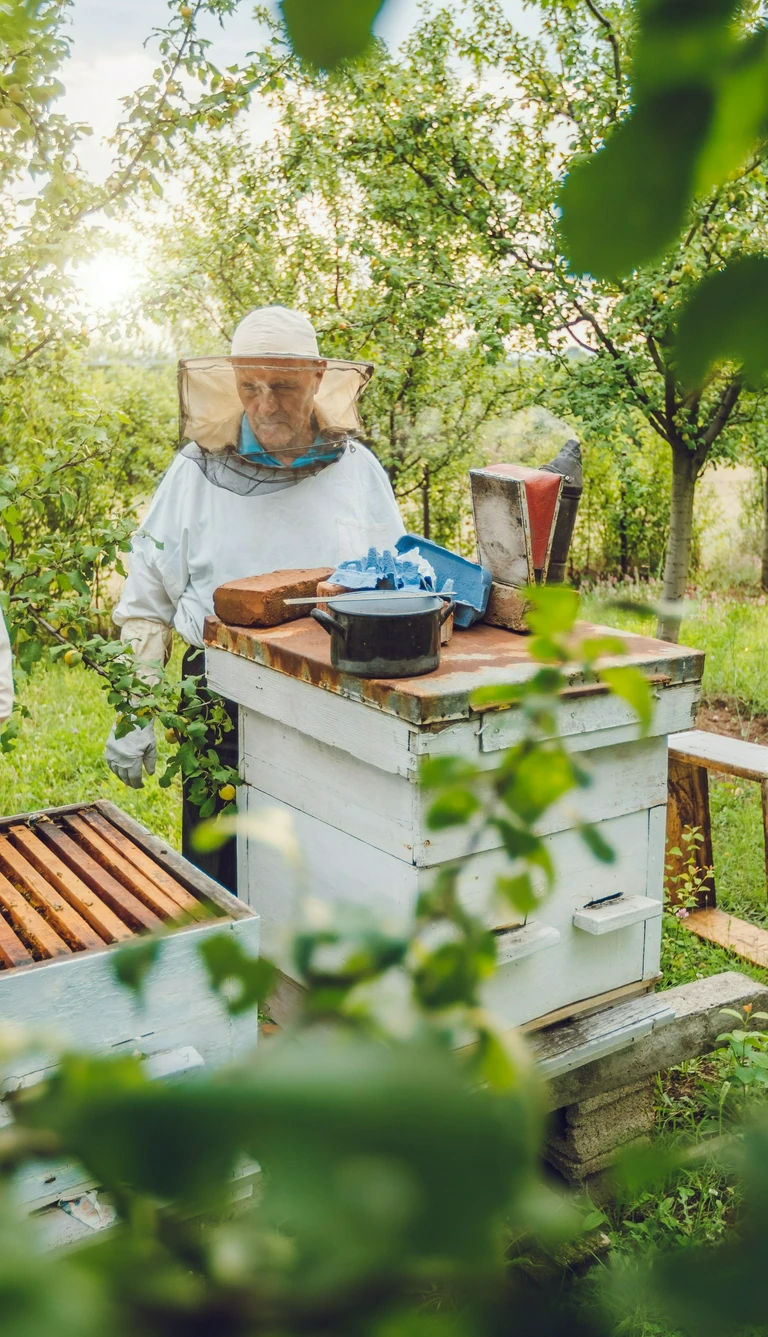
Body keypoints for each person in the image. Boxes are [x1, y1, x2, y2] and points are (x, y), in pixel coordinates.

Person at [105, 305, 405, 893]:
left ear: (319, 377)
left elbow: (395, 583)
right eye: (250, 387)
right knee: (221, 871)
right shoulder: (193, 474)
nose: (265, 404)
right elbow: (146, 604)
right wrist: (136, 711)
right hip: (218, 698)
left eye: (285, 387)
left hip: (332, 695)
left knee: (322, 865)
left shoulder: (359, 472)